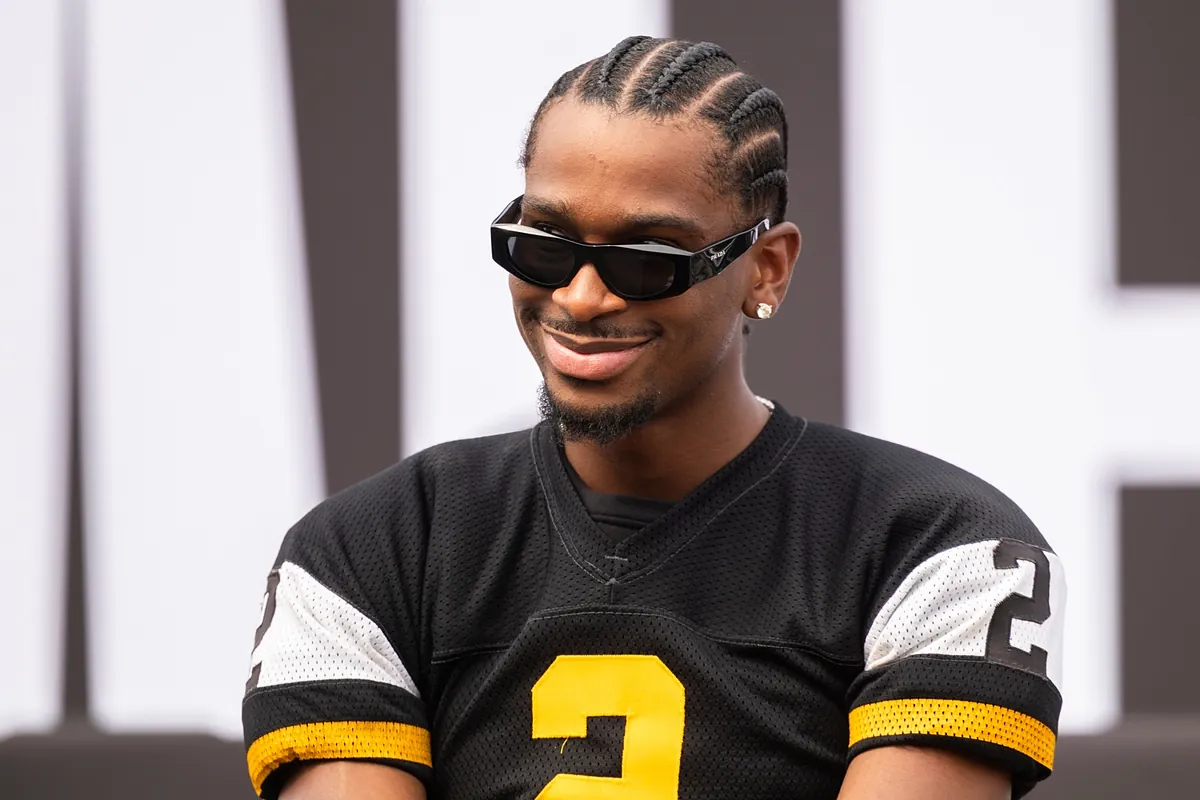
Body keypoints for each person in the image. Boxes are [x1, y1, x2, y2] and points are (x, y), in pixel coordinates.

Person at [241, 36, 1065, 800]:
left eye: (647, 260)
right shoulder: (372, 547)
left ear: (767, 269)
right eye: (544, 245)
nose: (581, 297)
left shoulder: (938, 547)